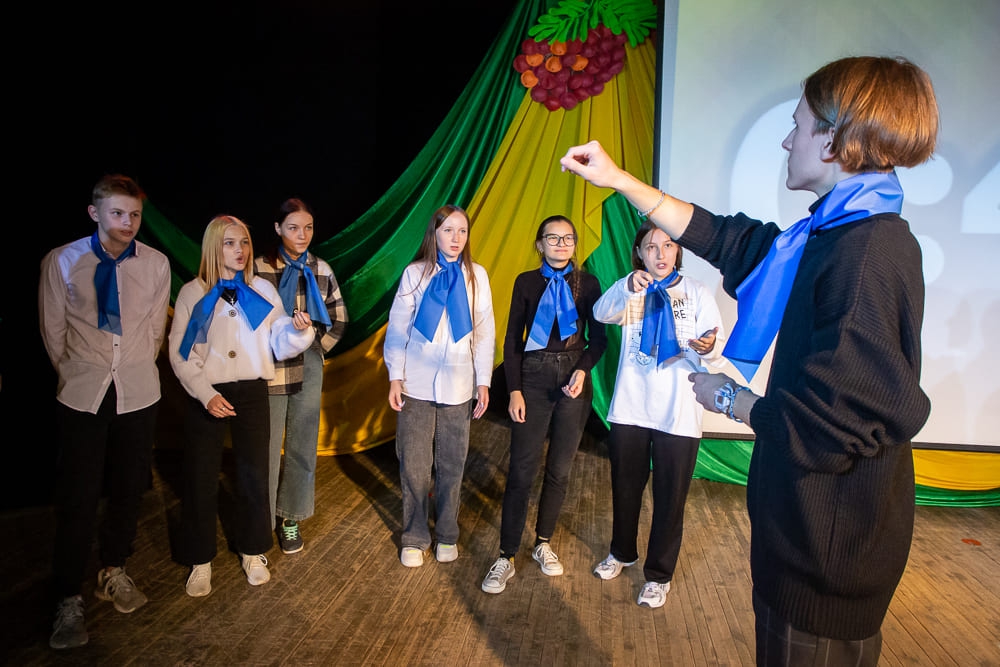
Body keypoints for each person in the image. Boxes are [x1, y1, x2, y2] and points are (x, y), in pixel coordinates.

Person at [559, 55, 937, 665]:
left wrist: (732, 399)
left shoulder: (866, 255)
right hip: (806, 541)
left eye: (798, 125)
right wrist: (622, 180)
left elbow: (836, 426)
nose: (787, 140)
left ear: (834, 141)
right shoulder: (834, 234)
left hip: (824, 555)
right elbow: (732, 240)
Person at [39, 174, 172, 650]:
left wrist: (130, 369)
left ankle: (113, 569)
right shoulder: (62, 261)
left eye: (134, 215)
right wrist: (81, 372)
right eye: (117, 213)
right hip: (84, 393)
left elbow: (154, 331)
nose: (127, 223)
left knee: (129, 489)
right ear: (95, 213)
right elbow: (53, 332)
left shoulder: (155, 264)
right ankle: (67, 595)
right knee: (78, 497)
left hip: (137, 392)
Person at [168, 215, 315, 598]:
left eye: (245, 242)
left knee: (253, 474)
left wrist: (298, 330)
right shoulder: (193, 293)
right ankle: (200, 559)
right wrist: (205, 393)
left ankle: (253, 550)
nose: (240, 250)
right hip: (208, 393)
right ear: (213, 247)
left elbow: (278, 339)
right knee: (201, 476)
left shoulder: (262, 290)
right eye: (230, 243)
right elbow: (180, 352)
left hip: (251, 392)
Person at [590, 219, 724, 608]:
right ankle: (621, 553)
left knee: (670, 498)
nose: (660, 254)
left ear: (677, 250)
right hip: (631, 408)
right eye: (651, 247)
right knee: (625, 489)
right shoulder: (632, 289)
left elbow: (716, 349)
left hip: (678, 412)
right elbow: (601, 313)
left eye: (667, 245)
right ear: (640, 253)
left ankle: (658, 575)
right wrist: (625, 285)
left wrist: (709, 346)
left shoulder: (696, 292)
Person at [480, 215, 607, 594]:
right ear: (540, 244)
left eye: (568, 238)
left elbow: (599, 339)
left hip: (573, 378)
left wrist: (582, 370)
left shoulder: (588, 284)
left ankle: (543, 543)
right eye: (553, 238)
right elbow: (512, 340)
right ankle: (505, 555)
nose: (561, 244)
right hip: (533, 376)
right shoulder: (526, 282)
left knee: (560, 470)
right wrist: (514, 390)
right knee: (522, 469)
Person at [384, 204, 495, 568]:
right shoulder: (415, 274)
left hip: (459, 385)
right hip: (415, 383)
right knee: (414, 464)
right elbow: (398, 329)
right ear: (434, 234)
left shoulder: (477, 275)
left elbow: (484, 333)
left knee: (452, 463)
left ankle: (447, 534)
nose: (455, 238)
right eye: (448, 230)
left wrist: (483, 381)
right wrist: (395, 376)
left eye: (462, 231)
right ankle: (415, 536)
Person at [253, 198, 348, 554]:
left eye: (308, 227)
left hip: (307, 364)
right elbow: (246, 321)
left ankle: (290, 517)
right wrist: (269, 347)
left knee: (303, 442)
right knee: (266, 444)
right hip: (271, 365)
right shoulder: (259, 267)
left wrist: (315, 347)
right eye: (293, 227)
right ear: (278, 228)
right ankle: (261, 520)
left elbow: (339, 317)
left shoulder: (320, 268)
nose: (302, 234)